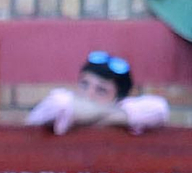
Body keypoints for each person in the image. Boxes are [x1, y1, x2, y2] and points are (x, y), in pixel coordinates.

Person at [25, 51, 168, 136]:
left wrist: (86, 116)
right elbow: (58, 106)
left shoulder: (123, 106)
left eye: (101, 90)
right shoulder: (63, 98)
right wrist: (115, 117)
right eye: (84, 84)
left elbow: (159, 109)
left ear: (118, 98)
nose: (88, 94)